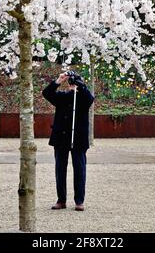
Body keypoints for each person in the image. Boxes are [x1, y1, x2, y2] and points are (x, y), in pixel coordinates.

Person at [42, 71, 94, 212]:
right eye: (71, 82)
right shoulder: (62, 97)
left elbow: (90, 99)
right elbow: (47, 93)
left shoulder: (84, 98)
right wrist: (59, 80)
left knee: (80, 170)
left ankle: (79, 201)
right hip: (61, 139)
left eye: (74, 82)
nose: (72, 84)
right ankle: (61, 200)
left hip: (78, 139)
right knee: (60, 170)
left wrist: (81, 87)